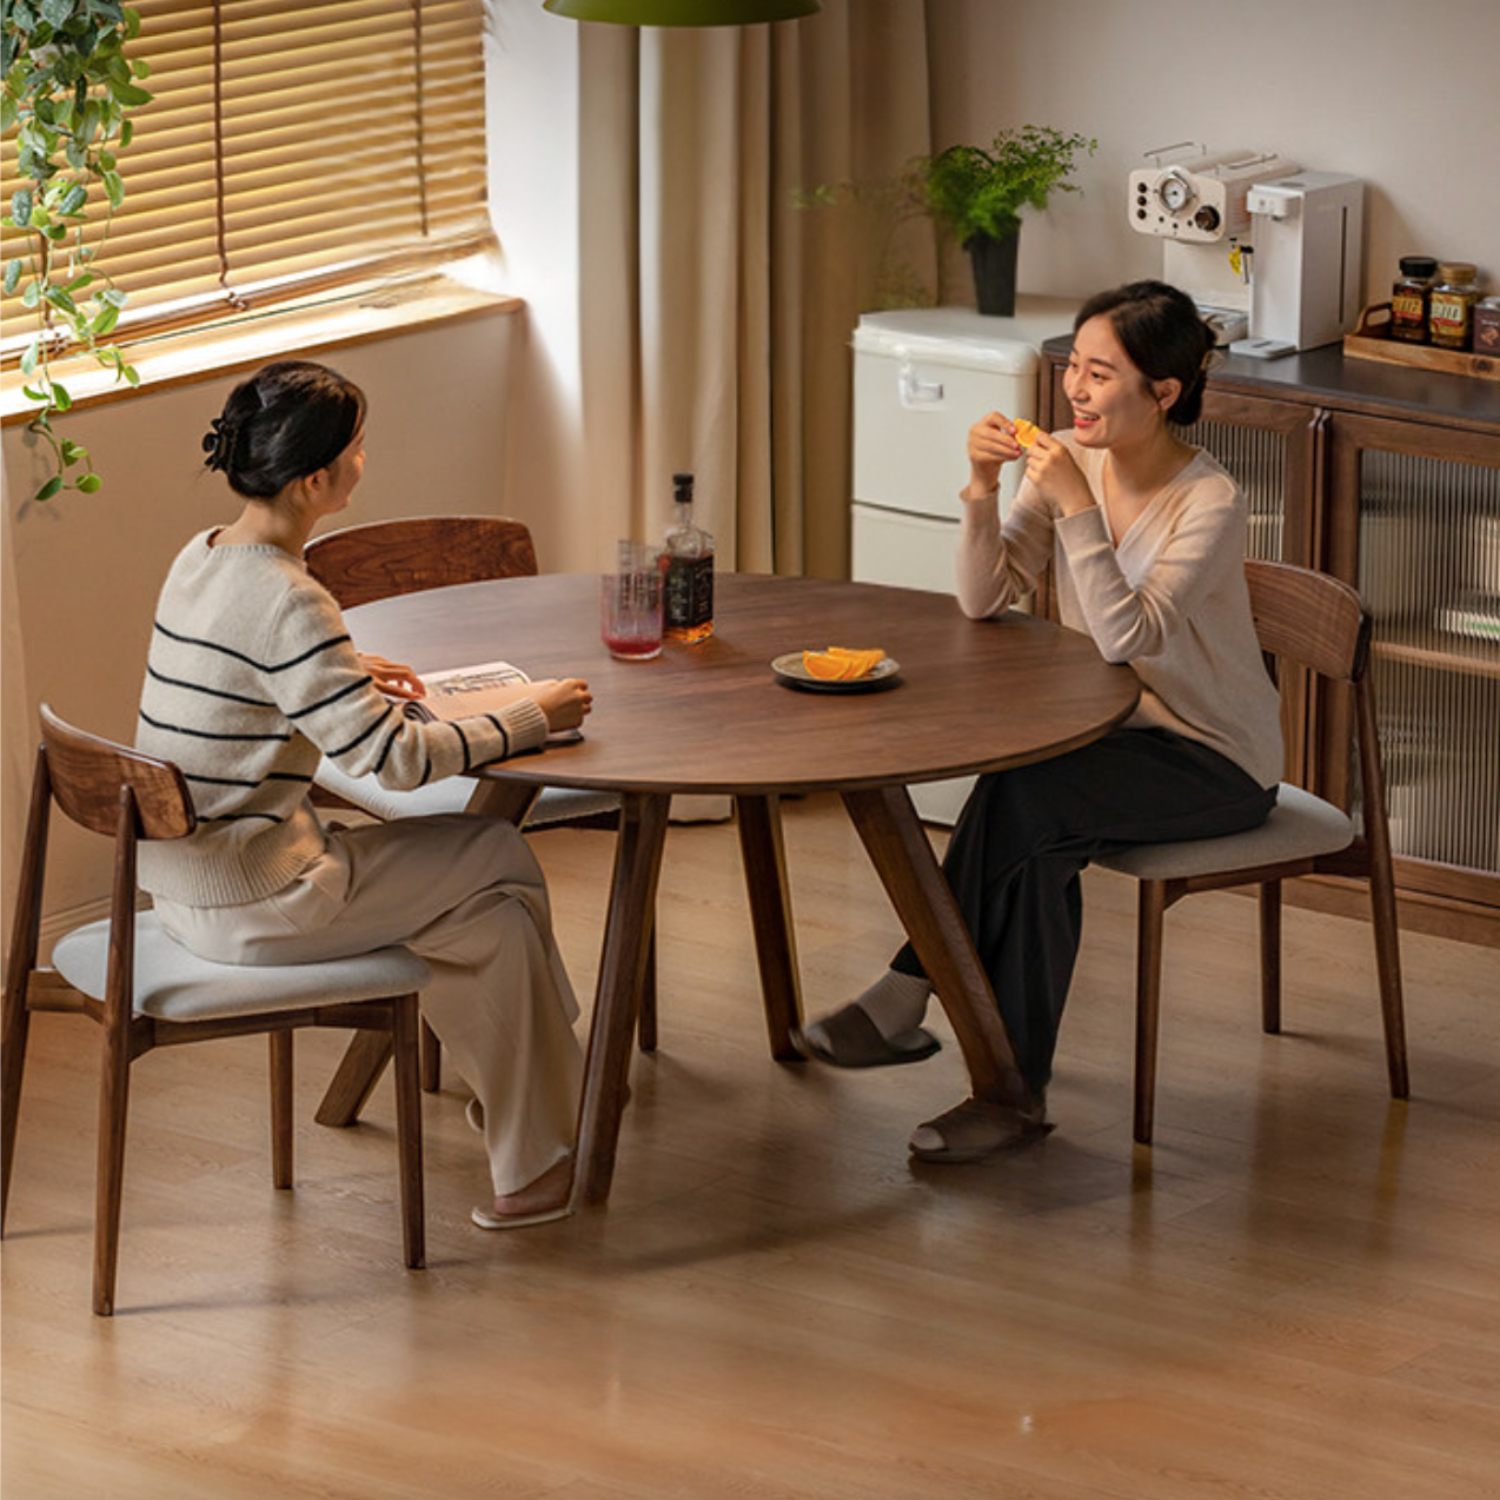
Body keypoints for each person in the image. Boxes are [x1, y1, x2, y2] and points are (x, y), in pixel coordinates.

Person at [797, 280, 1283, 1162]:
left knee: (1028, 808)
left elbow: (1124, 632)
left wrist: (1078, 508)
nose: (1076, 391)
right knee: (1027, 823)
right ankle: (1007, 1092)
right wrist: (982, 487)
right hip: (1111, 736)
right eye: (1075, 370)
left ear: (1163, 394)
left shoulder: (1210, 502)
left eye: (1102, 375)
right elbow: (984, 598)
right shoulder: (1067, 458)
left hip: (1213, 759)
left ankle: (918, 1002)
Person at [136, 359, 593, 1228]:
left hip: (184, 888)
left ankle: (533, 1152)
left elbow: (243, 677)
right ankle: (558, 1096)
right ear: (317, 480)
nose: (363, 460)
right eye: (356, 449)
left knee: (488, 920)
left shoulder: (201, 559)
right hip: (260, 898)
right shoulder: (289, 600)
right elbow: (396, 762)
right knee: (497, 851)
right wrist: (531, 715)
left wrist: (339, 674)